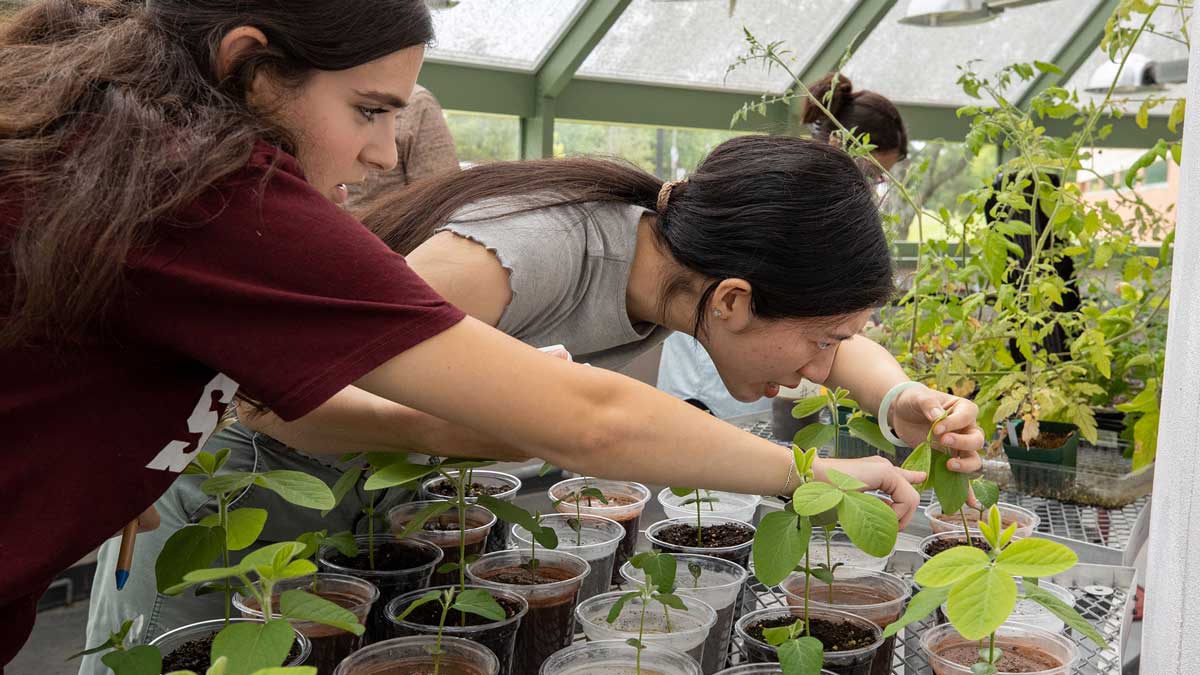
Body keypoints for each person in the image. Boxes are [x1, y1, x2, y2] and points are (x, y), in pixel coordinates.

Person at [0, 1, 977, 665]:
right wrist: (806, 478)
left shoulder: (150, 163)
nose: (390, 151)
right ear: (248, 68)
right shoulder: (230, 201)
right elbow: (582, 416)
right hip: (250, 504)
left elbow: (826, 336)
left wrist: (895, 397)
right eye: (371, 109)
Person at [657, 72, 909, 418]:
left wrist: (898, 396)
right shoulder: (789, 210)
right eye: (874, 171)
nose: (873, 186)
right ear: (841, 145)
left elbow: (825, 342)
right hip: (708, 386)